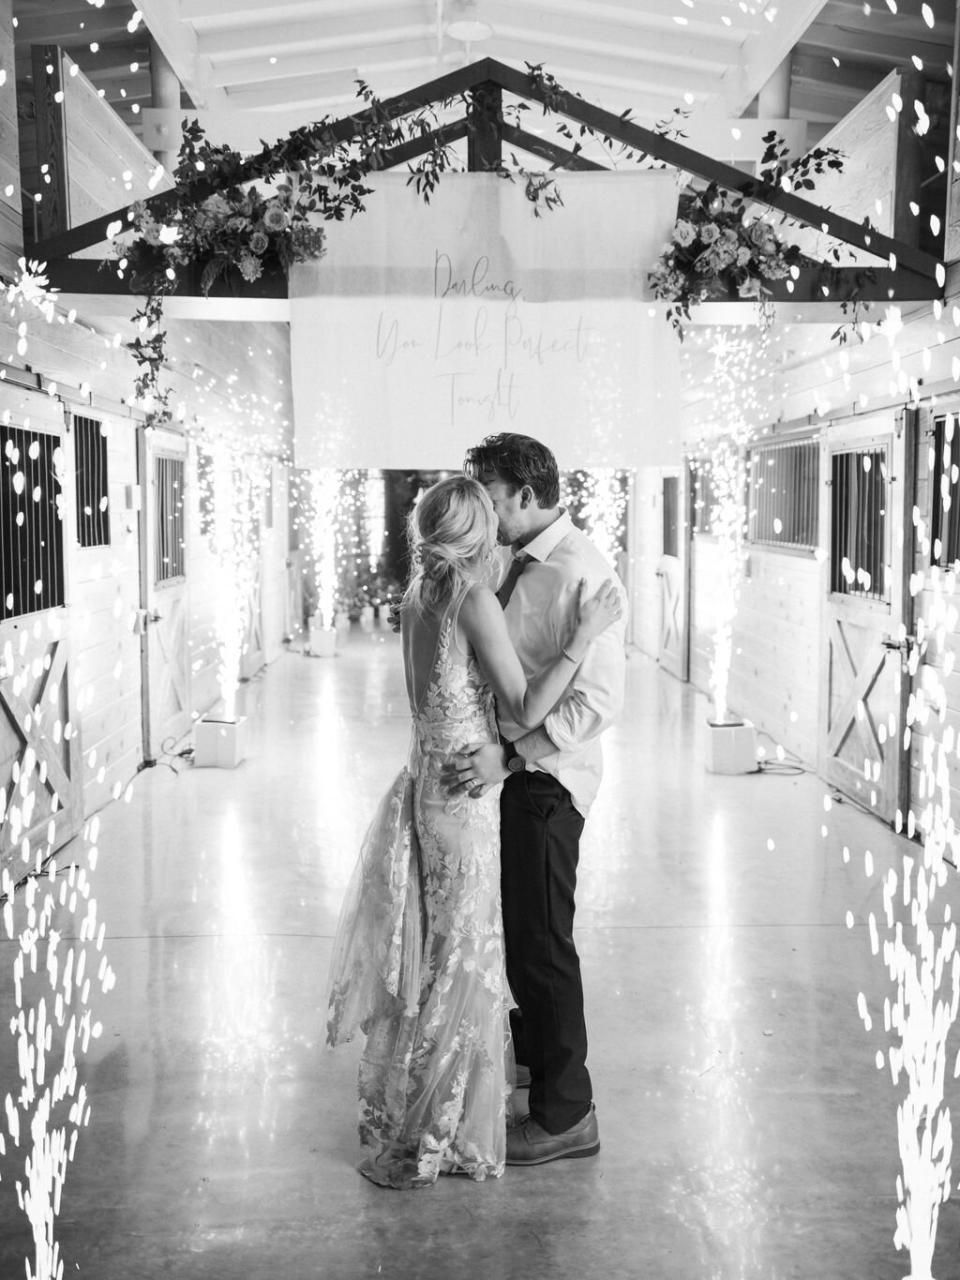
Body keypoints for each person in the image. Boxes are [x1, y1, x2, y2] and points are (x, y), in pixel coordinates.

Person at [325, 474, 621, 1189]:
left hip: (428, 782)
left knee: (439, 953)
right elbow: (523, 699)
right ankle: (441, 1121)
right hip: (467, 798)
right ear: (476, 531)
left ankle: (435, 1098)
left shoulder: (415, 595)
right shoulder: (473, 599)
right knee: (465, 959)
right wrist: (584, 637)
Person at [446, 433, 627, 1166]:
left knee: (544, 945)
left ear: (524, 494)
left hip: (546, 782)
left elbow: (598, 705)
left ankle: (566, 1115)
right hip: (512, 774)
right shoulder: (515, 562)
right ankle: (533, 1068)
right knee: (520, 935)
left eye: (487, 492)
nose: (481, 508)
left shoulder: (581, 573)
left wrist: (513, 758)